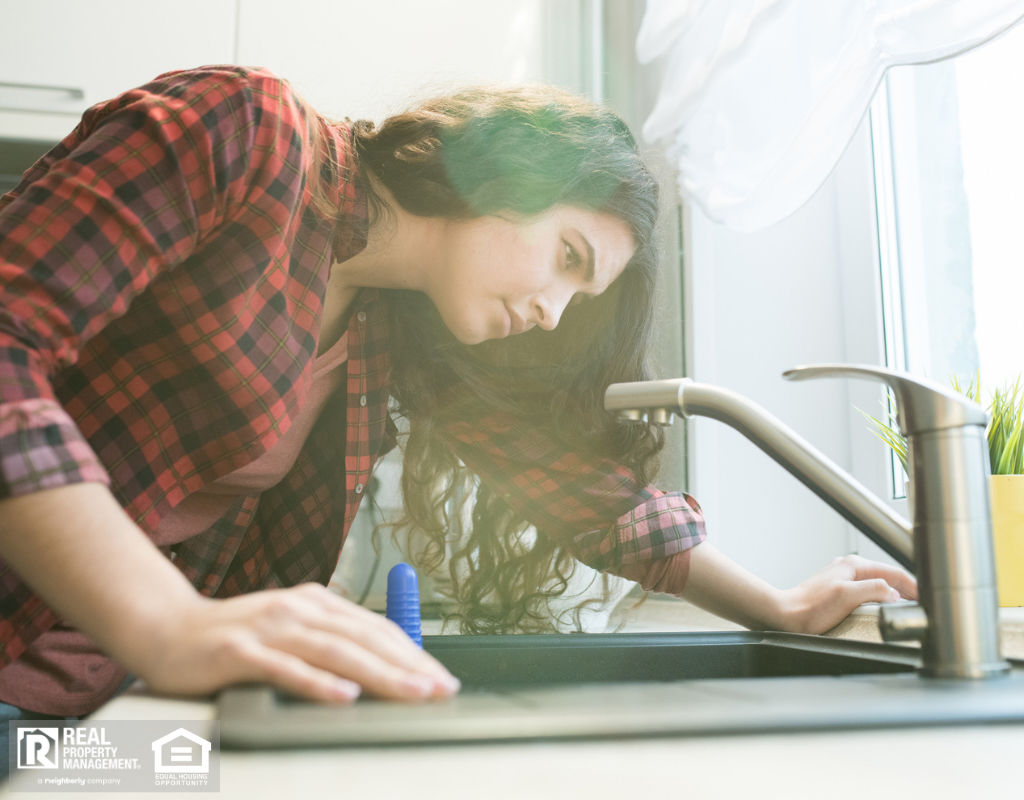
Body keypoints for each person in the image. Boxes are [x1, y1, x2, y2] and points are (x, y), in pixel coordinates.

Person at [0, 65, 917, 735]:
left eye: (580, 301)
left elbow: (582, 493)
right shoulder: (247, 131)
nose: (555, 314)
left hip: (92, 718)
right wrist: (168, 622)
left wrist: (777, 607)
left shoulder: (392, 332)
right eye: (567, 258)